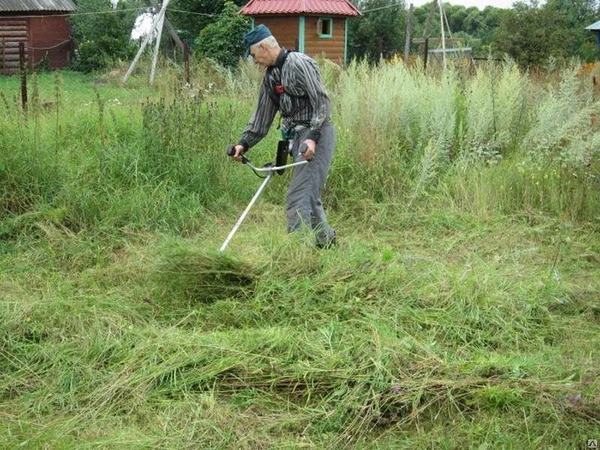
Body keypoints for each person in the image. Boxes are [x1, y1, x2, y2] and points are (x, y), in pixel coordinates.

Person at [229, 24, 336, 249]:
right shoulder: (271, 77)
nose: (254, 61)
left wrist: (313, 136)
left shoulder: (299, 63)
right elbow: (262, 116)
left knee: (298, 197)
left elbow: (321, 101)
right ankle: (326, 245)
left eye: (253, 55)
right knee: (308, 194)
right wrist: (244, 144)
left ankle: (295, 256)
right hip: (296, 137)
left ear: (265, 47)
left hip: (317, 134)